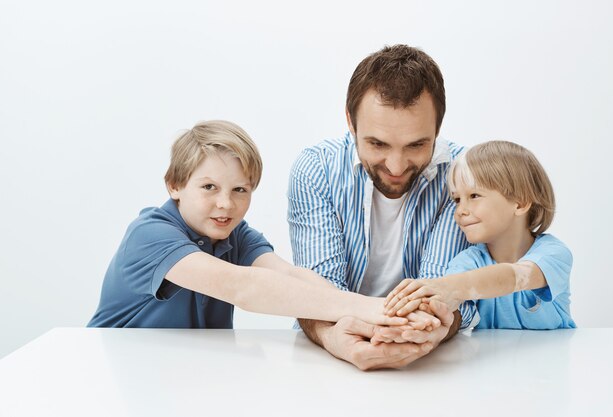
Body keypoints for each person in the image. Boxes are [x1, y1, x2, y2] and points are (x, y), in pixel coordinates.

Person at [88, 120, 417, 329]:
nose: (226, 204)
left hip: (184, 375)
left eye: (240, 190)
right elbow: (242, 286)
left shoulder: (235, 235)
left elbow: (288, 275)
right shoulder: (150, 234)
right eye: (209, 187)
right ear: (174, 185)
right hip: (118, 372)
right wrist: (373, 308)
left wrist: (371, 319)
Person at [288, 44, 478, 370]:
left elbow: (442, 292)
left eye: (417, 144)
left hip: (436, 366)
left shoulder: (462, 175)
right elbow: (318, 295)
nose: (396, 165)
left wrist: (434, 327)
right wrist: (336, 337)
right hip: (322, 364)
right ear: (351, 121)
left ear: (437, 129)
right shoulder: (316, 169)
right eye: (377, 143)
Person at [383, 141, 576, 330]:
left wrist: (449, 287)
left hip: (555, 358)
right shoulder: (468, 261)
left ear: (519, 203)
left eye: (474, 196)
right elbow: (445, 305)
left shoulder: (553, 253)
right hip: (488, 360)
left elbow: (515, 276)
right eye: (457, 199)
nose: (460, 211)